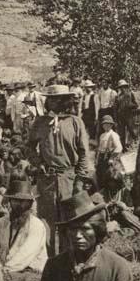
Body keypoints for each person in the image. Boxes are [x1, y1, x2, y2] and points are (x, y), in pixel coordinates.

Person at [28, 85, 90, 256]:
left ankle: (67, 258)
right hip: (46, 179)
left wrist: (80, 180)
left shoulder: (75, 122)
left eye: (59, 99)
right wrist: (37, 162)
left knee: (69, 221)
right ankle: (50, 261)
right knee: (46, 222)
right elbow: (30, 147)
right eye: (52, 99)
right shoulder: (40, 123)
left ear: (66, 100)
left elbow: (84, 153)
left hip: (68, 178)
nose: (55, 102)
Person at [0, 179, 48, 273]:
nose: (20, 205)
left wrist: (4, 270)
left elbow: (24, 255)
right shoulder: (3, 222)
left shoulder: (36, 226)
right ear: (10, 202)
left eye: (25, 201)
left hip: (28, 272)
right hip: (4, 270)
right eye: (16, 201)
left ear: (30, 203)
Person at [95, 115, 123, 190]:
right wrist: (96, 160)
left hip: (108, 159)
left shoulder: (114, 135)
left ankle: (107, 194)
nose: (106, 125)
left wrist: (111, 158)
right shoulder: (102, 135)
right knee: (99, 176)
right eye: (105, 124)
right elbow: (99, 148)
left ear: (111, 125)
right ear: (102, 125)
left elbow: (119, 148)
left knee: (107, 177)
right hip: (101, 158)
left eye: (108, 124)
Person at [115, 80, 138, 151]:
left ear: (126, 87)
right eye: (121, 87)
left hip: (129, 115)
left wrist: (130, 105)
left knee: (132, 130)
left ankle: (135, 144)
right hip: (120, 116)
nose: (122, 89)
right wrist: (116, 117)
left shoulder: (131, 94)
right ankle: (123, 147)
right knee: (121, 133)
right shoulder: (118, 96)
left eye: (124, 87)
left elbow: (136, 105)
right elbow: (116, 107)